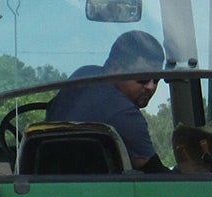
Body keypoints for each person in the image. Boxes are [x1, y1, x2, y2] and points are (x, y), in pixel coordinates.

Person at [44, 30, 167, 173]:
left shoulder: (83, 75)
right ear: (114, 68)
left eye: (156, 78)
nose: (151, 86)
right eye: (143, 77)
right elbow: (156, 175)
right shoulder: (125, 114)